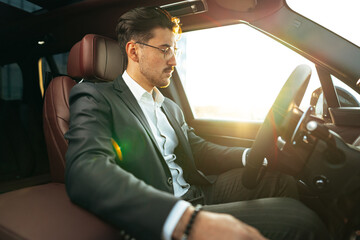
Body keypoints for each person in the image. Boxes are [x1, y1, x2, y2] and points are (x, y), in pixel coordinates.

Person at [65, 7, 329, 240]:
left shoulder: (168, 105)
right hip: (166, 206)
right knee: (299, 221)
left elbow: (199, 150)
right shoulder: (95, 98)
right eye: (165, 49)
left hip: (197, 191)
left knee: (281, 182)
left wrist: (249, 156)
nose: (174, 61)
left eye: (175, 49)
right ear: (134, 51)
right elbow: (86, 168)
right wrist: (183, 219)